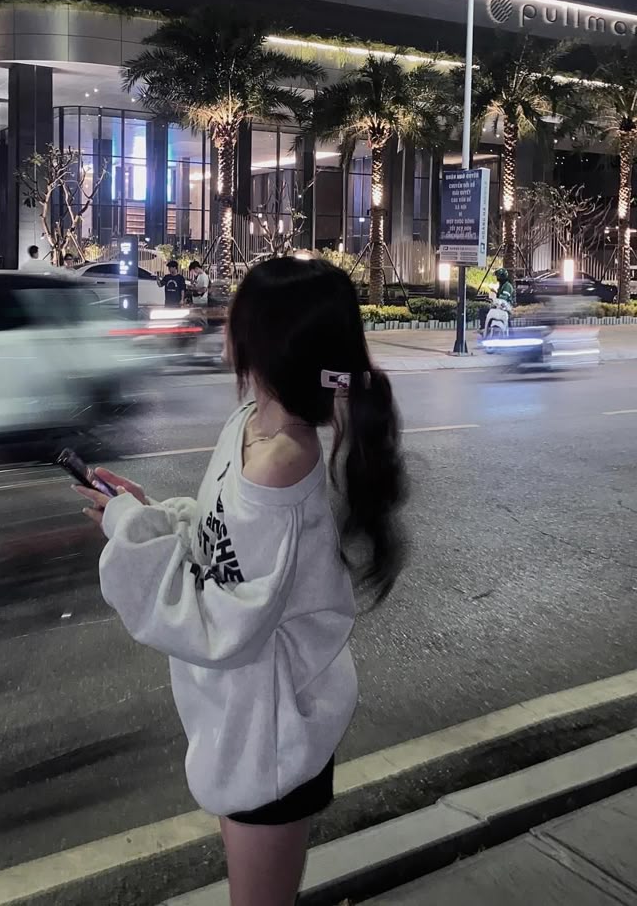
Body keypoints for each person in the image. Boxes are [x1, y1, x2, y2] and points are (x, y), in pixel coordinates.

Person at [75, 258, 406, 906]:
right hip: (240, 720)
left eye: (237, 313)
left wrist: (128, 533)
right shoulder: (250, 423)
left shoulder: (283, 463)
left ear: (268, 339)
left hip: (269, 735)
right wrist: (144, 513)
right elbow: (215, 535)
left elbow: (225, 623)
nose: (223, 320)